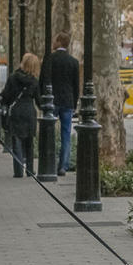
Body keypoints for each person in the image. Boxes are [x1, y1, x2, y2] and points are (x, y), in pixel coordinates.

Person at [40, 32, 78, 175]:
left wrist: (42, 99)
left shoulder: (49, 59)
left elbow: (42, 81)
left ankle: (49, 162)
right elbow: (75, 86)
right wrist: (74, 103)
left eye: (54, 40)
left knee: (49, 132)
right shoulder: (73, 62)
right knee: (66, 134)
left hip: (52, 101)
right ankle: (63, 166)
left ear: (59, 42)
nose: (52, 42)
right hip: (67, 102)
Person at [0, 52, 42, 177]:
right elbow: (39, 101)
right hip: (29, 111)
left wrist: (4, 102)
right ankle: (30, 170)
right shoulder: (34, 81)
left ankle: (18, 171)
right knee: (29, 141)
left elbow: (6, 96)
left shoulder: (13, 78)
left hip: (16, 111)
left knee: (16, 141)